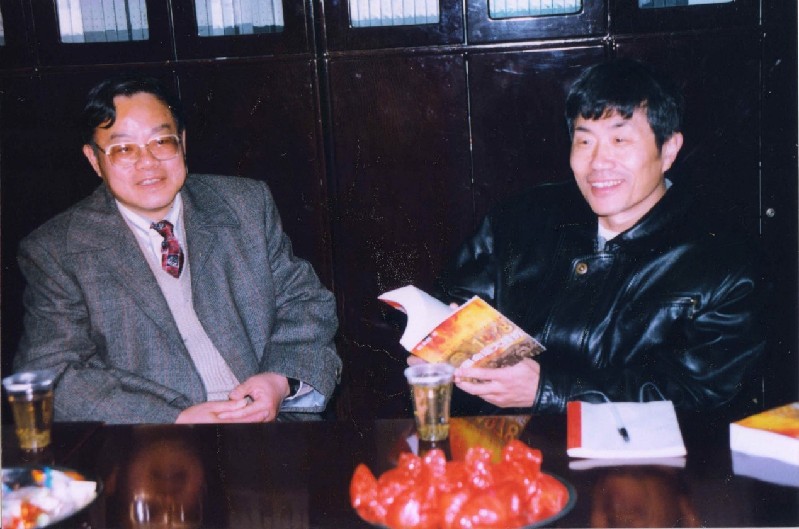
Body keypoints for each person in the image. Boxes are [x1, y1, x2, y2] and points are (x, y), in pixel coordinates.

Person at [431, 58, 765, 414]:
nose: (598, 162)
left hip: (639, 450)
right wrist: (437, 350)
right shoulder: (518, 219)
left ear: (668, 149)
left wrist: (550, 391)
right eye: (585, 141)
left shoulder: (724, 261)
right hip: (504, 440)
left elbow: (701, 395)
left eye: (619, 139)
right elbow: (455, 304)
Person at [13, 74, 341, 424]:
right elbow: (52, 373)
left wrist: (279, 380)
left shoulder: (244, 206)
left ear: (182, 143)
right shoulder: (58, 249)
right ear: (94, 160)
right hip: (149, 440)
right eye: (124, 149)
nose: (147, 161)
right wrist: (174, 419)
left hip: (269, 427)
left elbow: (306, 305)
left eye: (161, 141)